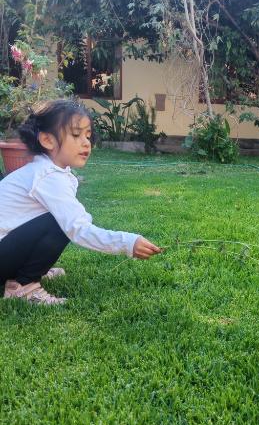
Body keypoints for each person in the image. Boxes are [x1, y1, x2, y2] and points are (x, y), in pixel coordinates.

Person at [0, 99, 161, 305]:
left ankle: (26, 270)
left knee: (59, 220)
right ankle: (23, 285)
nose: (86, 143)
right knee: (58, 222)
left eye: (88, 135)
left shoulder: (51, 172)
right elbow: (78, 229)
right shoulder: (47, 176)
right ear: (47, 140)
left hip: (7, 250)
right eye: (76, 135)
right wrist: (128, 243)